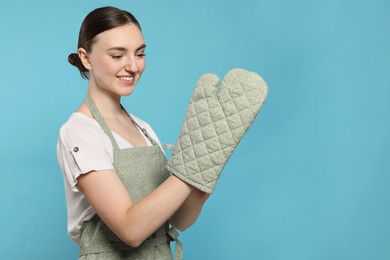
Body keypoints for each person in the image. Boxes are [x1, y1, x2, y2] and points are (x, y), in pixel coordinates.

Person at [56, 6, 209, 259]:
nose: (133, 66)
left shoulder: (144, 128)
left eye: (140, 54)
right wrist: (187, 172)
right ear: (86, 58)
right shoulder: (79, 132)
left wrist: (205, 172)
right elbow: (131, 229)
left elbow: (180, 220)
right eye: (117, 55)